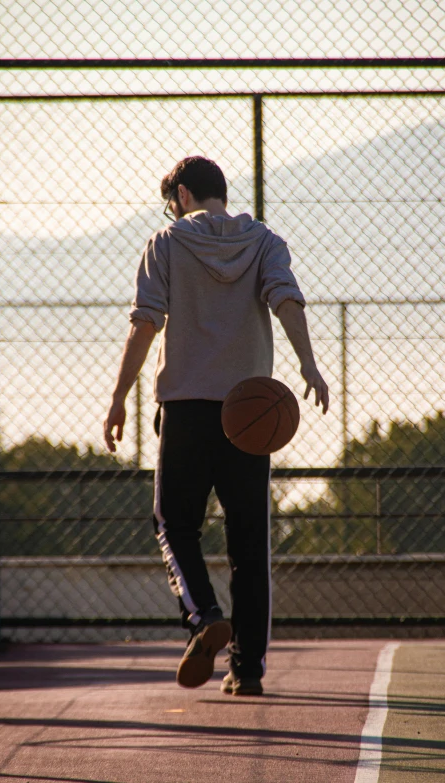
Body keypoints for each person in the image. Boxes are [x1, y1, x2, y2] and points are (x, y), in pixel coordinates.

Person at [104, 156, 329, 696]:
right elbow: (286, 300)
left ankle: (204, 616)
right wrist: (309, 364)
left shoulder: (166, 243)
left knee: (174, 523)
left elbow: (145, 323)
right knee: (248, 543)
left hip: (185, 409)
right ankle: (246, 669)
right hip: (248, 414)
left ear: (182, 194)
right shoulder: (265, 242)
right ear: (221, 193)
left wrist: (118, 396)